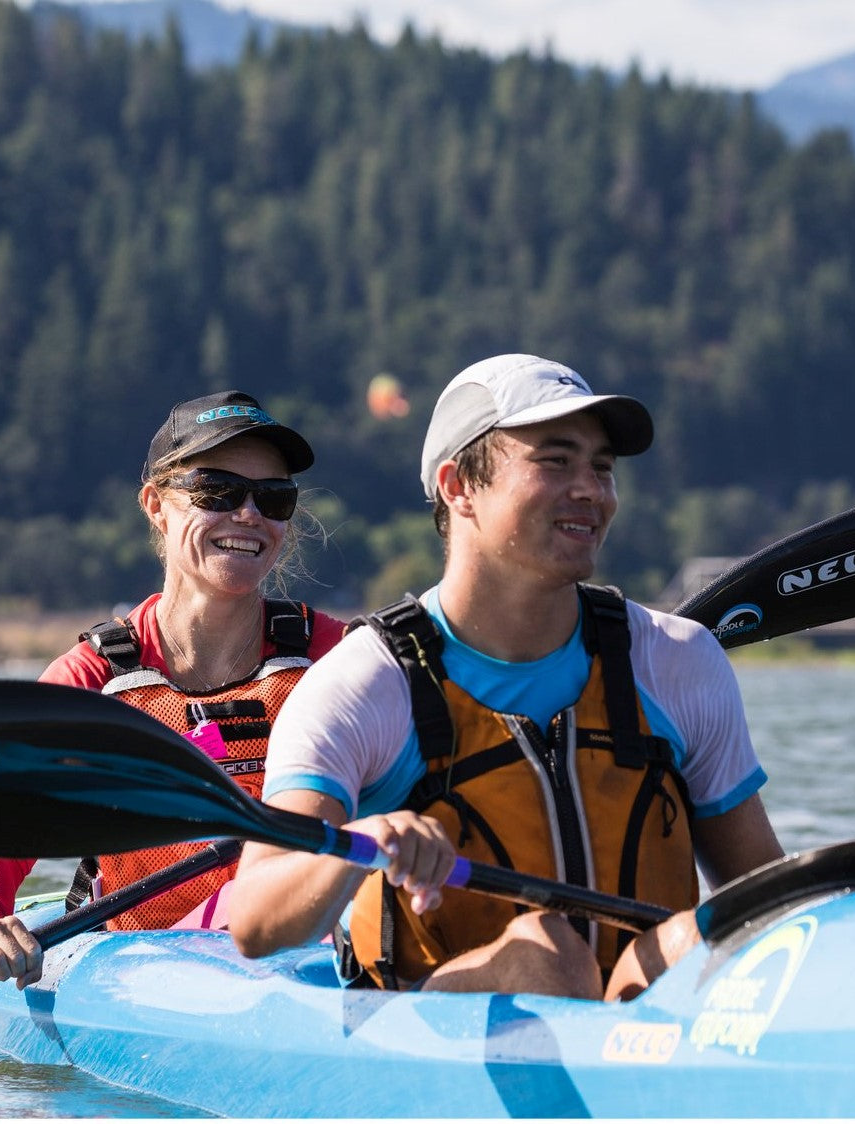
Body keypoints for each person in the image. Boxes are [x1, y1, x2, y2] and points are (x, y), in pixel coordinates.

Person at [230, 354, 784, 1002]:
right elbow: (256, 920)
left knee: (707, 936)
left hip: (639, 1015)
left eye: (601, 467)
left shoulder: (678, 661)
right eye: (556, 461)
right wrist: (359, 843)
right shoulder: (362, 687)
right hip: (432, 1032)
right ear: (459, 485)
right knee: (547, 954)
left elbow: (769, 903)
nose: (592, 489)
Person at [0, 390, 346, 989]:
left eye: (274, 497)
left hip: (300, 952)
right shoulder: (93, 680)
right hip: (140, 967)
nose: (248, 515)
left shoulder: (336, 657)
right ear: (156, 505)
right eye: (218, 491)